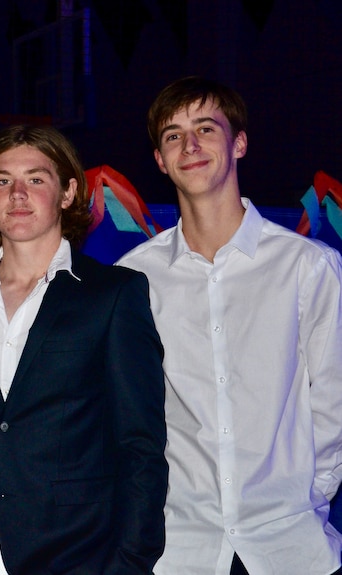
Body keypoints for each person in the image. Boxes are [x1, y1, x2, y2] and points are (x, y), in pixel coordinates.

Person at [0, 124, 167, 575]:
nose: (18, 194)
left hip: (76, 555)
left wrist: (129, 562)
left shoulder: (113, 293)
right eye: (2, 180)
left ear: (68, 193)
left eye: (36, 179)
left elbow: (140, 444)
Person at [117, 76, 342, 574]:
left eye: (206, 128)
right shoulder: (134, 277)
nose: (190, 145)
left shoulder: (307, 266)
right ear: (159, 159)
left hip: (290, 547)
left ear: (238, 142)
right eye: (173, 135)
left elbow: (335, 402)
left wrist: (303, 497)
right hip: (180, 549)